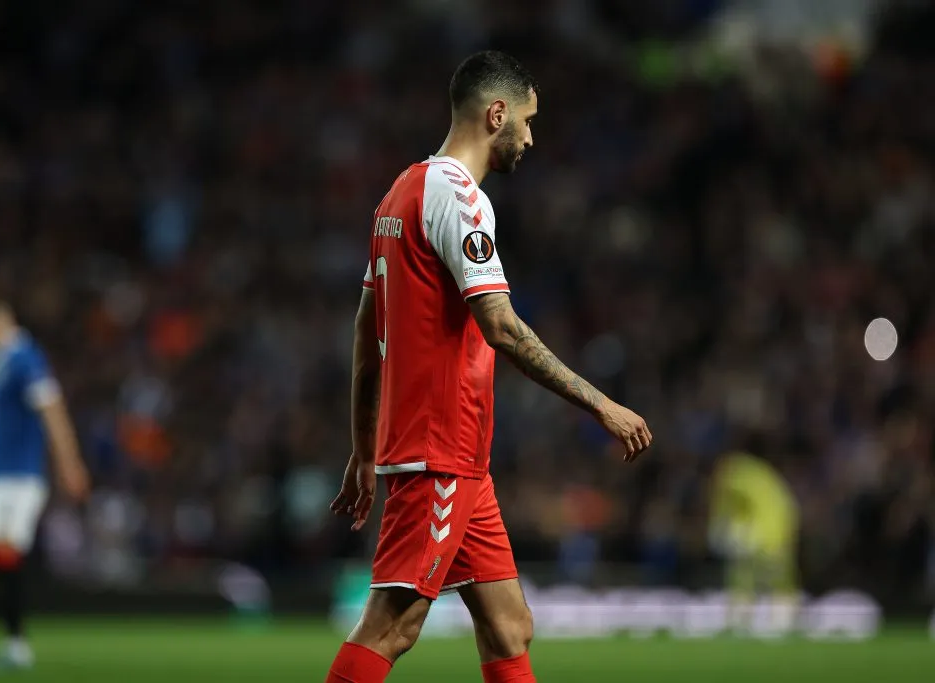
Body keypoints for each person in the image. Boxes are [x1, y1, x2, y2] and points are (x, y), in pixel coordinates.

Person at [326, 51, 653, 683]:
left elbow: (369, 337)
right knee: (391, 626)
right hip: (438, 450)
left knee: (509, 625)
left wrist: (364, 448)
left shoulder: (398, 194)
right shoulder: (461, 199)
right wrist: (602, 404)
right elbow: (500, 326)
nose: (531, 136)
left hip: (459, 461)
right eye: (528, 121)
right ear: (495, 113)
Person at [0, 291, 90, 670]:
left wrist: (70, 462)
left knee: (5, 556)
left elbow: (52, 408)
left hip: (18, 474)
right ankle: (2, 641)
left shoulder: (25, 357)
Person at [709, 450, 800, 636]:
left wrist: (719, 526)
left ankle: (740, 622)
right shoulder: (761, 476)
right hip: (780, 534)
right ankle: (781, 624)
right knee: (778, 581)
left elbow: (726, 506)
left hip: (761, 535)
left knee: (744, 578)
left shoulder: (736, 477)